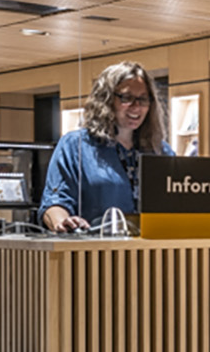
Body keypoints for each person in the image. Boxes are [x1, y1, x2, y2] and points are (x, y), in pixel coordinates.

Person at [40, 61, 171, 232]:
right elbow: (55, 201)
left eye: (143, 99)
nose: (137, 106)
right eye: (126, 98)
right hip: (97, 247)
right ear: (106, 100)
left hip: (153, 247)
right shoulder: (75, 145)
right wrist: (63, 222)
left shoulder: (161, 150)